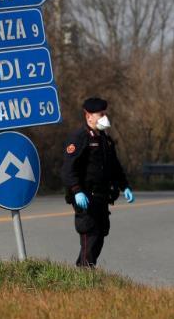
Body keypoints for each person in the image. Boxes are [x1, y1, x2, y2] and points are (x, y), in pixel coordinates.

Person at [61, 97, 134, 268]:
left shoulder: (105, 139)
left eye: (104, 113)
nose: (104, 117)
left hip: (102, 196)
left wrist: (125, 186)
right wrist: (76, 190)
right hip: (85, 196)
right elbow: (68, 169)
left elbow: (115, 166)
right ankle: (85, 271)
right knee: (90, 233)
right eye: (100, 114)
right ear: (89, 117)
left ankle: (86, 267)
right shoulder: (79, 137)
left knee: (100, 234)